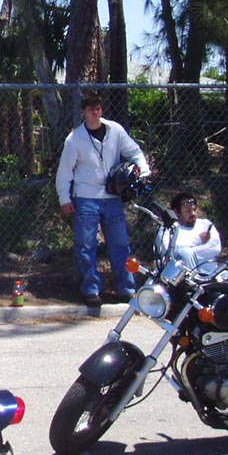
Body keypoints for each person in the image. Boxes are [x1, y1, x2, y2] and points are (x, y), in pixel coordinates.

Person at [55, 90, 151, 308]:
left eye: (98, 109)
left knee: (120, 244)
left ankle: (126, 289)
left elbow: (134, 151)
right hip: (86, 197)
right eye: (91, 109)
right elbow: (65, 171)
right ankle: (91, 290)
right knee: (86, 245)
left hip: (112, 196)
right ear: (83, 112)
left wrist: (144, 171)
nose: (95, 113)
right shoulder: (74, 139)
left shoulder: (115, 130)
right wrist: (64, 198)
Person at [168, 191, 221, 271]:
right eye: (188, 211)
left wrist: (188, 254)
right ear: (176, 212)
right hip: (185, 277)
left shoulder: (206, 224)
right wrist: (199, 240)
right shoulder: (170, 228)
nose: (193, 214)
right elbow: (169, 252)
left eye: (194, 210)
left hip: (212, 274)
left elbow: (215, 247)